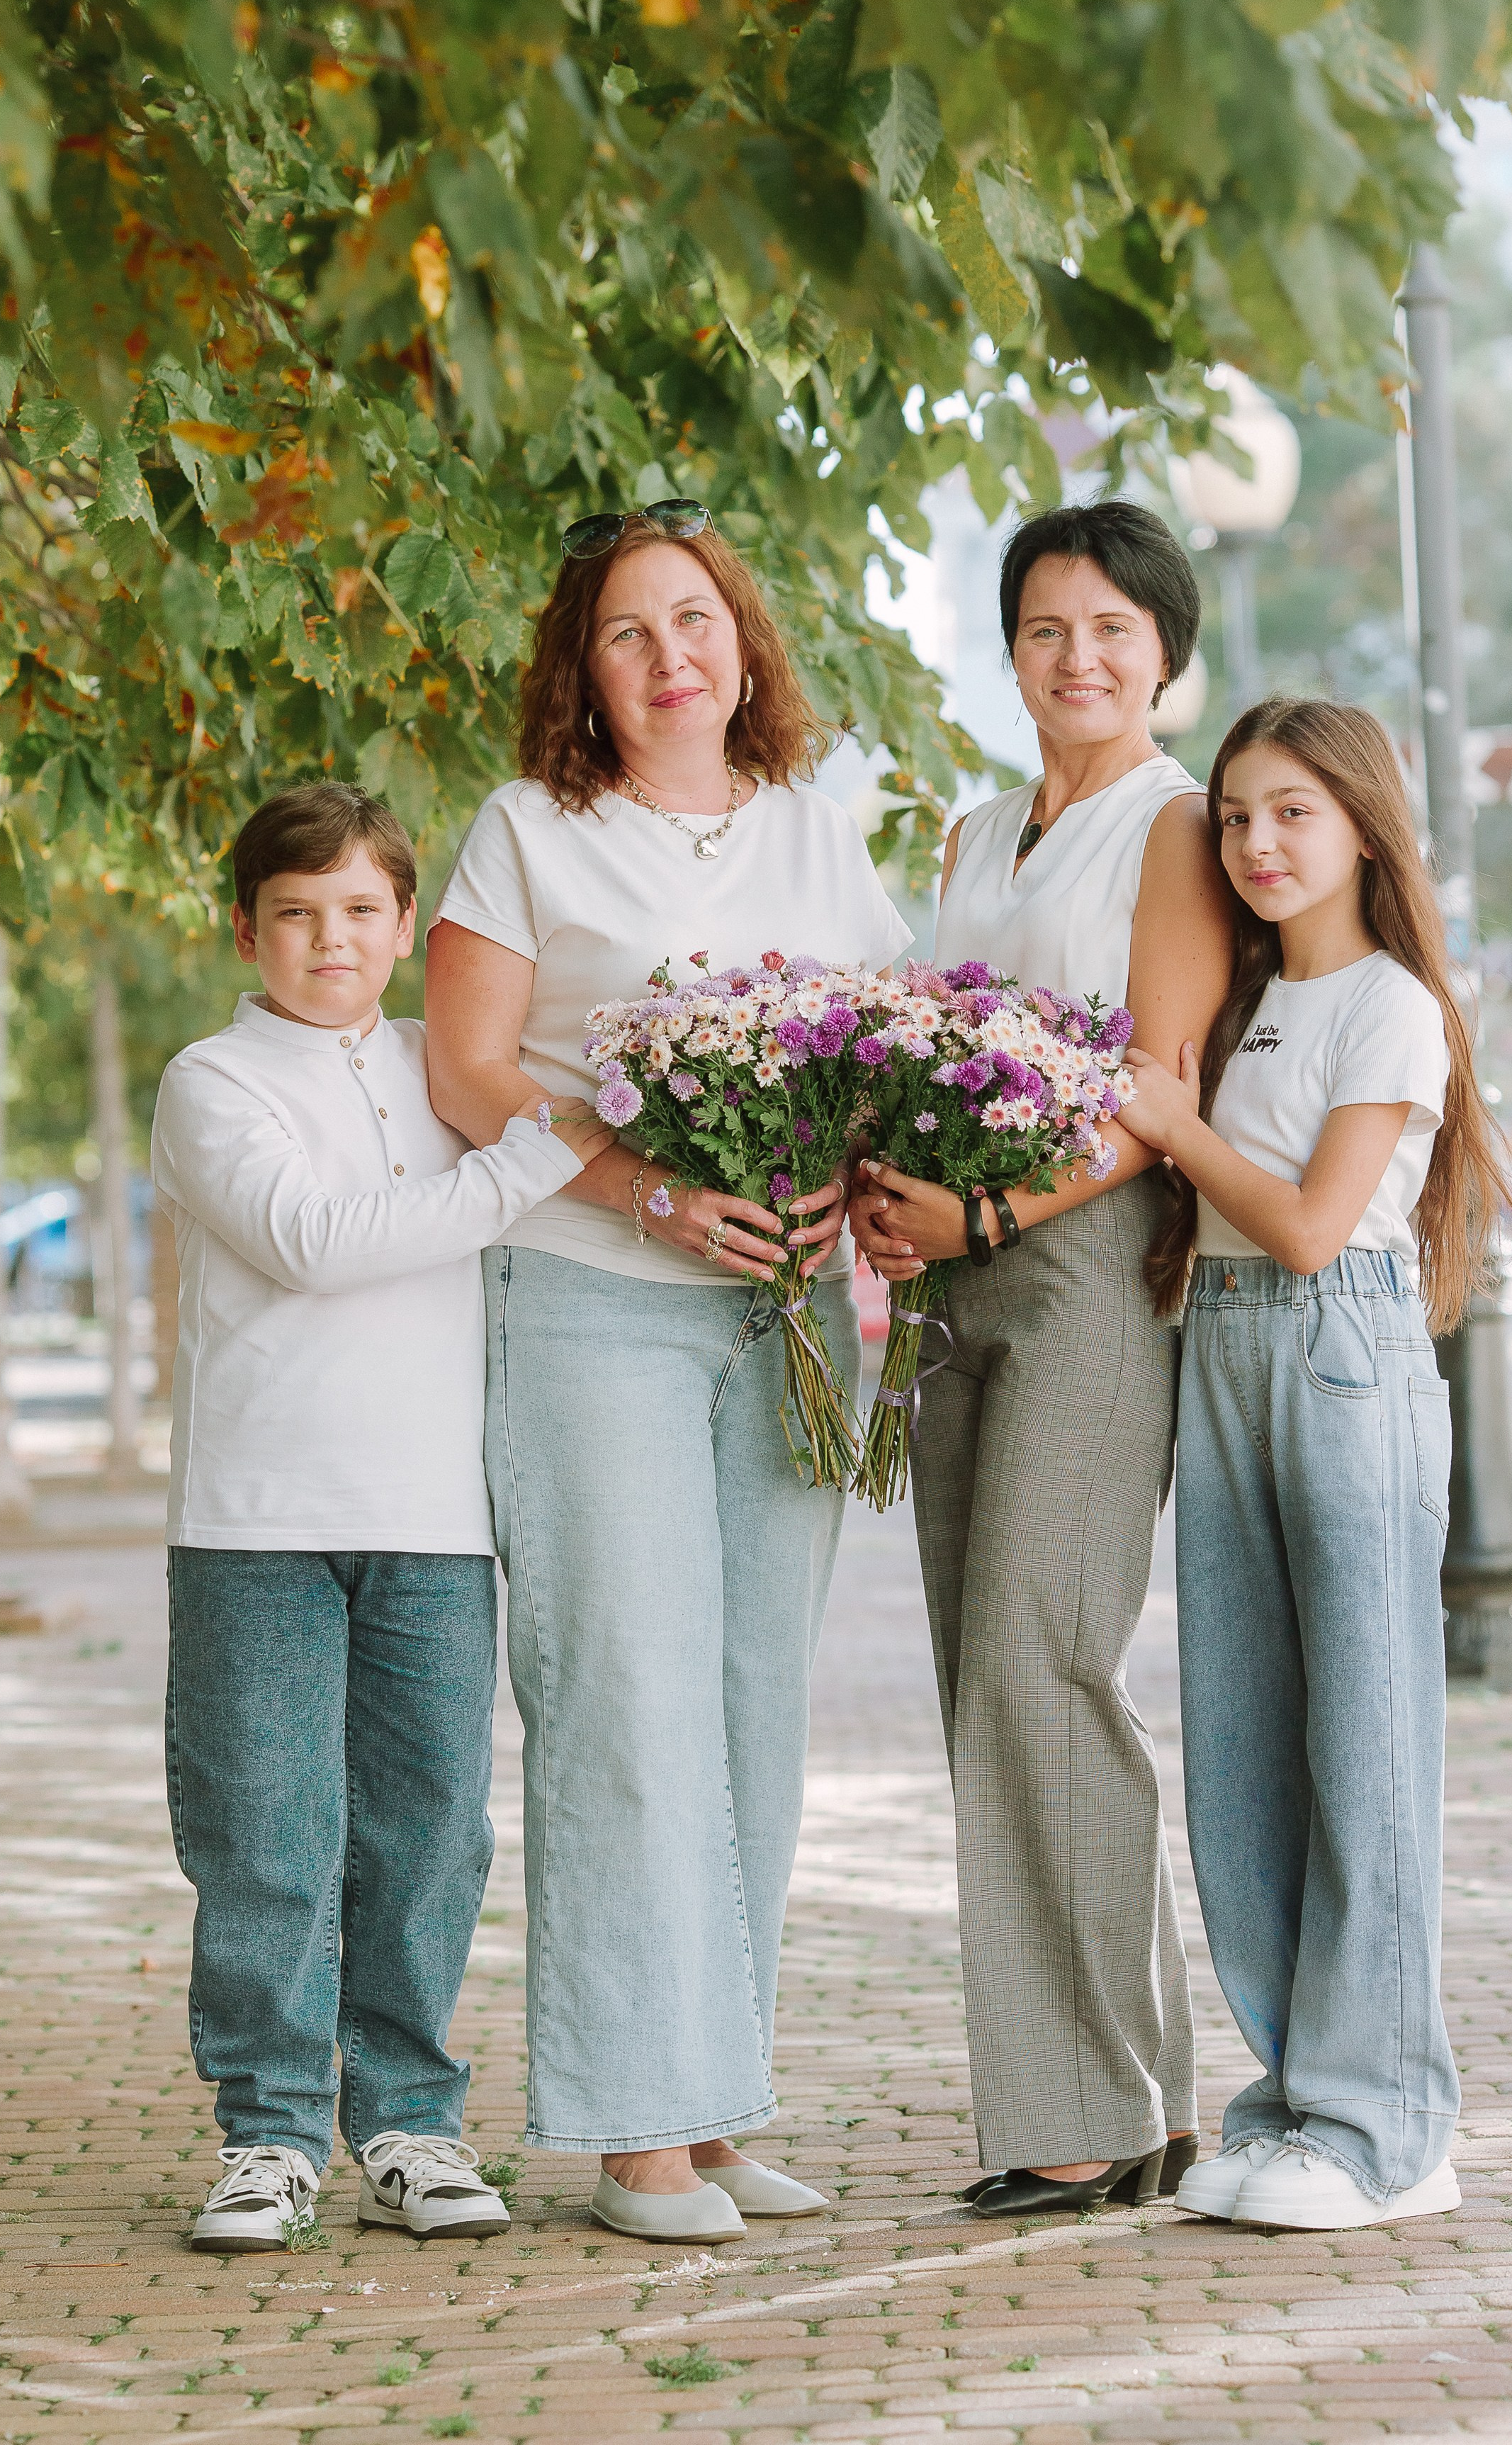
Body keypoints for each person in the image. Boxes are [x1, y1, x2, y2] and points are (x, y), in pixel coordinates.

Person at [424, 501, 913, 2244]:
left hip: (780, 1315)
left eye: (693, 618)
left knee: (749, 1698)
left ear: (742, 641)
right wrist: (647, 1187)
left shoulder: (810, 823)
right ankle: (634, 2125)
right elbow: (471, 1067)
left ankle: (716, 2107)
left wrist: (860, 1185)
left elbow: (878, 1041)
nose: (669, 654)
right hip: (588, 1298)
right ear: (586, 668)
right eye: (627, 631)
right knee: (622, 1696)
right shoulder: (526, 831)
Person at [152, 783, 611, 2253]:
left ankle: (408, 2120)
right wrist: (543, 1153)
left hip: (434, 1512)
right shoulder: (212, 1079)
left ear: (405, 925)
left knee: (426, 1837)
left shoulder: (445, 1067)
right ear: (248, 927)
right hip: (256, 1515)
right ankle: (270, 2135)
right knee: (266, 1839)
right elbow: (312, 1242)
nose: (328, 938)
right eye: (295, 913)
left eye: (359, 910)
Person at [851, 500, 1234, 2216]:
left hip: (1076, 1268)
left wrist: (982, 1217)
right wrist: (888, 1193)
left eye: (1110, 627)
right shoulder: (969, 827)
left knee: (1040, 1659)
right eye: (1041, 628)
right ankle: (1129, 2092)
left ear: (1165, 647)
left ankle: (1086, 2111)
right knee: (983, 1680)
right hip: (952, 1272)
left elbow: (1156, 1095)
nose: (1076, 657)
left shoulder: (1172, 826)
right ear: (1005, 650)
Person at [1120, 699, 1511, 2231]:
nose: (1255, 842)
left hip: (1334, 1349)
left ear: (1359, 821)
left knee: (1362, 1747)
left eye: (1288, 810)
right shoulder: (1241, 1004)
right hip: (1217, 1346)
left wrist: (1169, 1124)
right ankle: (1294, 2099)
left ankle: (1387, 2125)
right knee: (1242, 1751)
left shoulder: (1392, 1002)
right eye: (1231, 816)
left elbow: (1303, 1219)